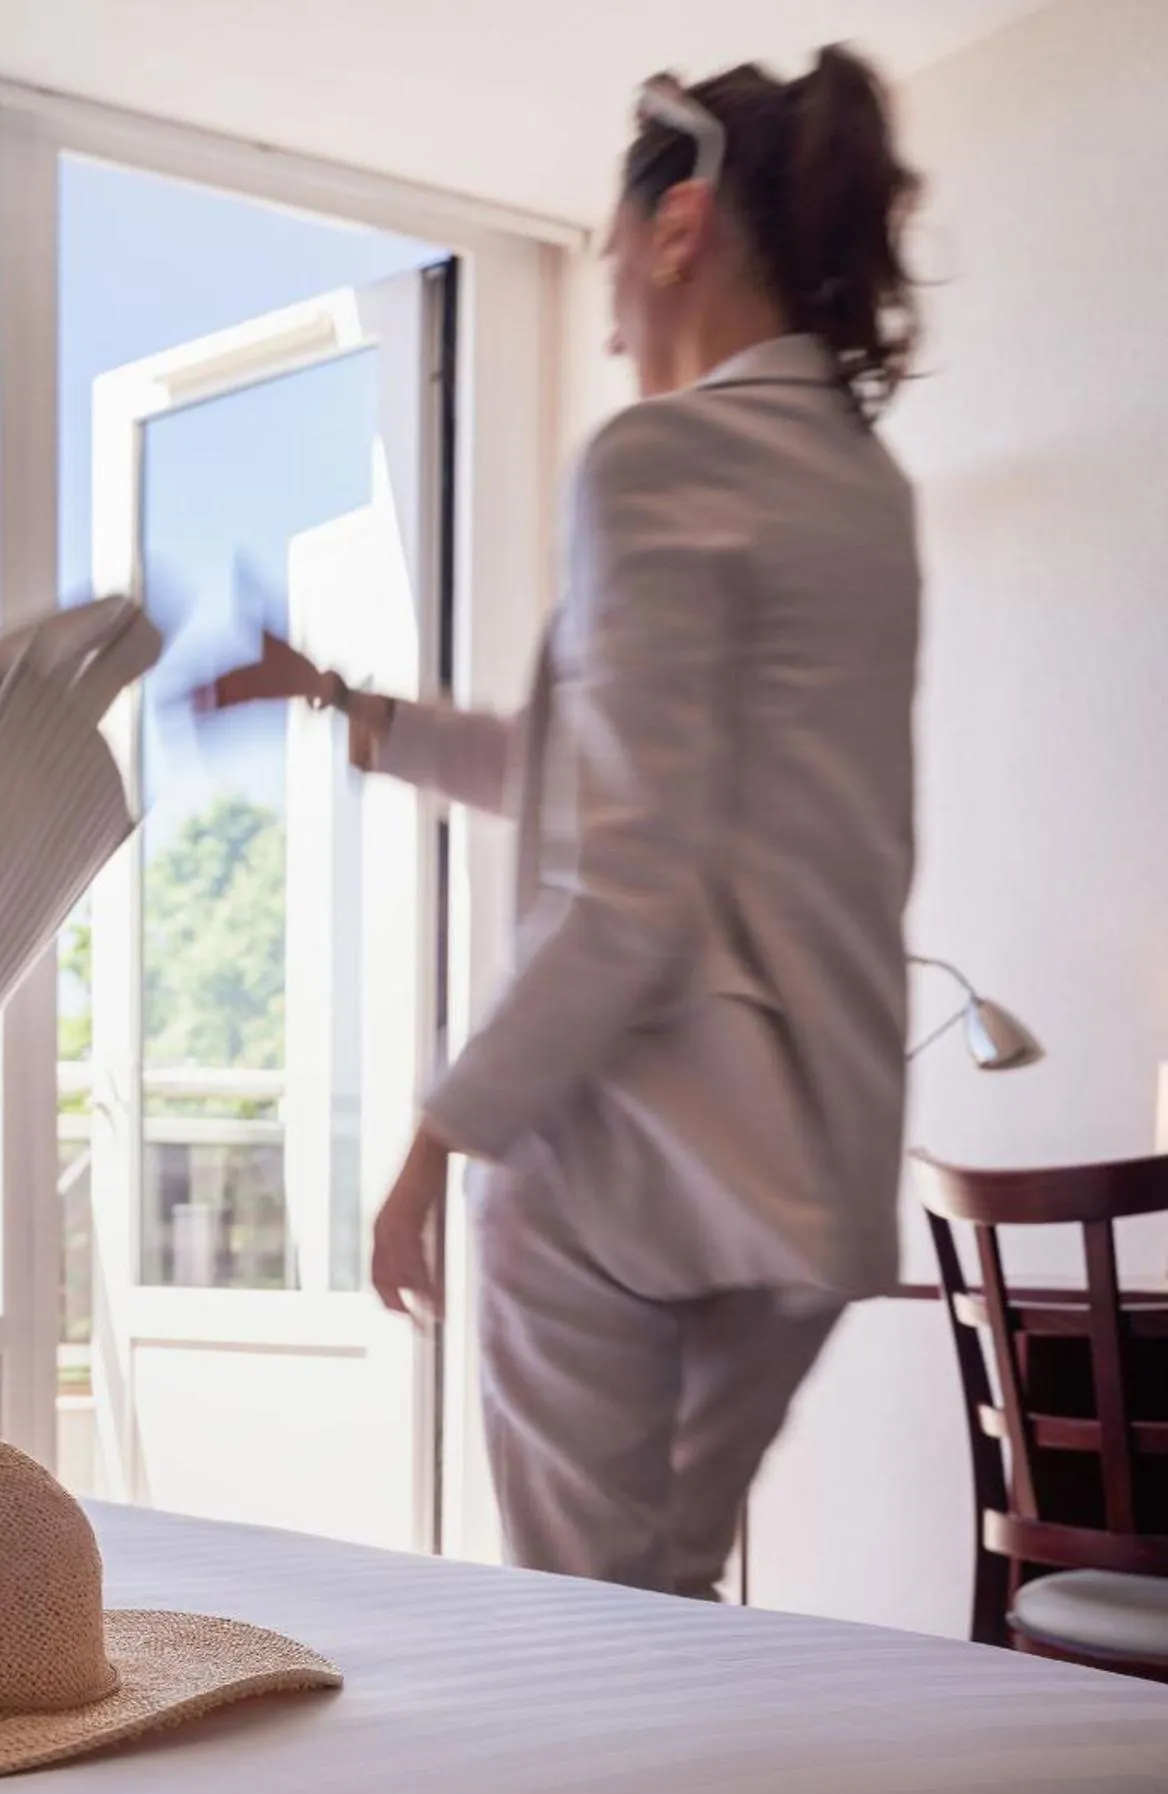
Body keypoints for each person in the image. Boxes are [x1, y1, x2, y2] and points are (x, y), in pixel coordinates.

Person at [195, 51, 923, 1597]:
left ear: (680, 229)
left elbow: (628, 879)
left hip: (634, 1157)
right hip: (816, 1168)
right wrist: (348, 704)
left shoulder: (657, 458)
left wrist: (435, 1142)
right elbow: (603, 773)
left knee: (593, 1632)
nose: (605, 312)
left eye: (607, 255)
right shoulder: (864, 488)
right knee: (667, 1617)